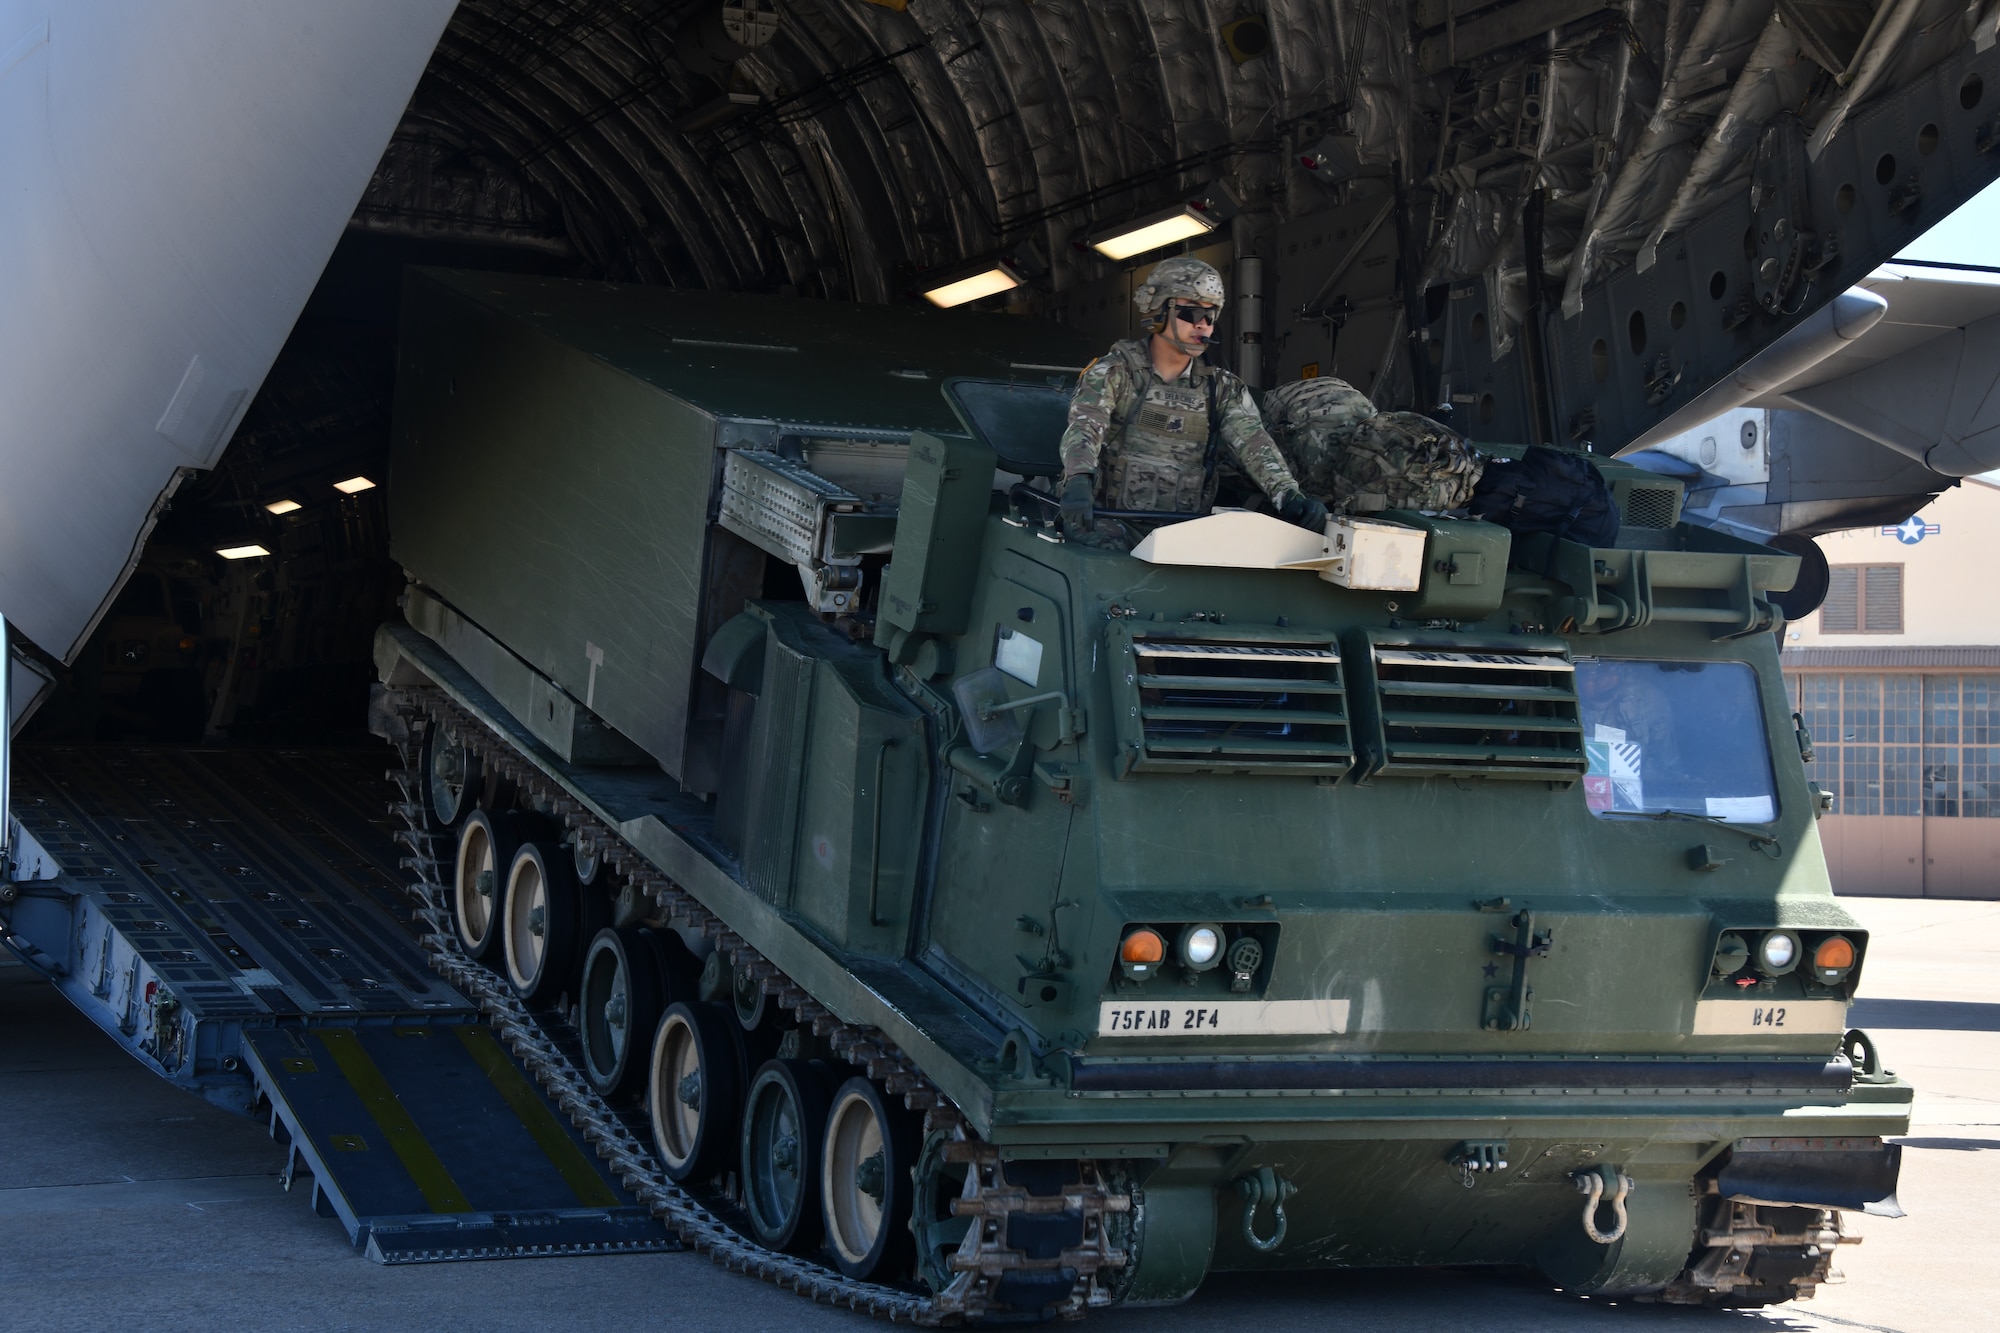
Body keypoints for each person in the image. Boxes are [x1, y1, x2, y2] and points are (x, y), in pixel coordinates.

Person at [1056, 257, 1328, 547]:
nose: (1203, 324)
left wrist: (1288, 495)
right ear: (1159, 310)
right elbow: (1085, 428)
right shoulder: (1115, 373)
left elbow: (1254, 445)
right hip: (1111, 521)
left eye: (1211, 315)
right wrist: (1079, 478)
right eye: (1191, 312)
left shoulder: (1220, 388)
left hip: (1182, 533)